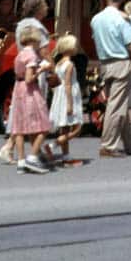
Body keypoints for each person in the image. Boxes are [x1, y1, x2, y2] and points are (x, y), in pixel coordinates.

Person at [0, 0, 51, 164]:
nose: (47, 8)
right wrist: (53, 69)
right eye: (45, 5)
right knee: (36, 113)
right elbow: (44, 52)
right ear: (39, 8)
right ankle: (23, 150)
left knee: (22, 112)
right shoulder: (38, 28)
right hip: (35, 70)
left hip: (23, 69)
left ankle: (22, 149)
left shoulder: (21, 25)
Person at [91, 0, 131, 156]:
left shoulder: (96, 19)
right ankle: (108, 145)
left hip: (105, 63)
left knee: (118, 103)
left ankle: (130, 144)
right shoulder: (120, 20)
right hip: (120, 62)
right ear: (121, 0)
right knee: (116, 105)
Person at [11, 26, 54, 174]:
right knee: (44, 125)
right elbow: (29, 79)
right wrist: (42, 69)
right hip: (30, 90)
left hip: (18, 89)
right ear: (35, 40)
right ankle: (33, 156)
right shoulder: (32, 56)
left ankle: (21, 161)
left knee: (20, 127)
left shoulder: (20, 54)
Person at [49, 34, 84, 165]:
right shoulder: (69, 65)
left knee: (64, 128)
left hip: (60, 95)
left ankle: (66, 156)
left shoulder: (59, 63)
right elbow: (68, 84)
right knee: (77, 128)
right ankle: (54, 145)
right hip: (69, 96)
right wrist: (70, 104)